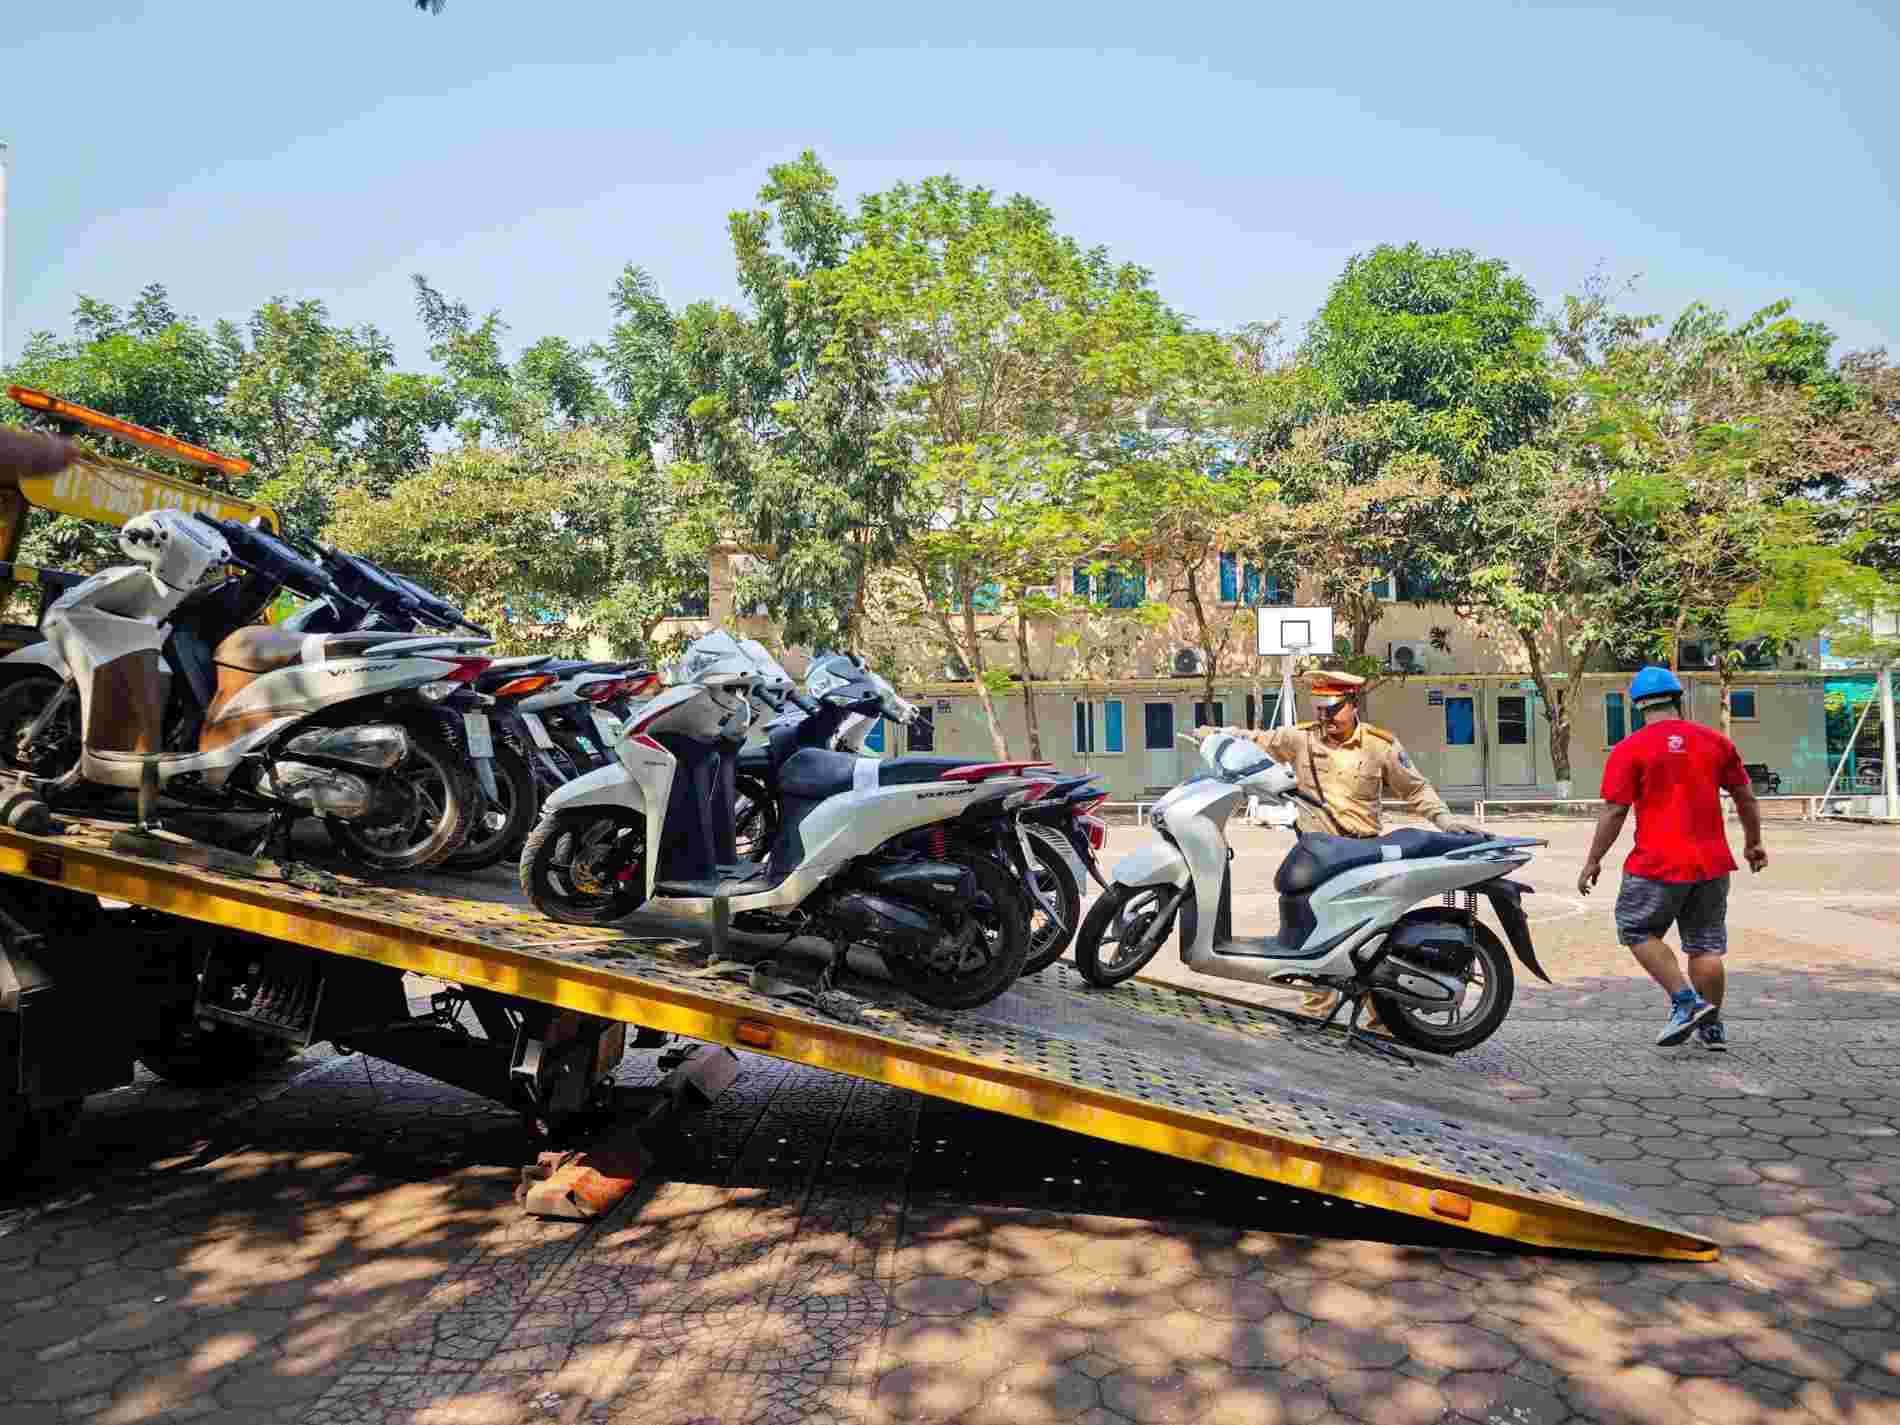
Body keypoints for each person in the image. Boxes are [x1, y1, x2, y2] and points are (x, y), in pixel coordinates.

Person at [1199, 669, 1482, 1027]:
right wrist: (1218, 735)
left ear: (1353, 704)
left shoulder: (1380, 745)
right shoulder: (1300, 738)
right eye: (1319, 709)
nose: (1324, 717)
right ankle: (1317, 1013)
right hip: (1317, 857)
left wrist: (1445, 821)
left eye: (1332, 709)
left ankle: (1386, 1018)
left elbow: (1415, 789)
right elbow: (1258, 740)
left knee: (1370, 939)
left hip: (1364, 856)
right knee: (1310, 937)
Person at [1577, 666, 1768, 1051]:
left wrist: (1593, 859)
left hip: (1656, 864)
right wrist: (1753, 843)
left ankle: (1685, 1002)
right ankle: (1711, 1027)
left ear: (1638, 706)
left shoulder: (1629, 749)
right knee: (1706, 946)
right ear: (1678, 700)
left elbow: (1615, 811)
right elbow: (1745, 797)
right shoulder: (1715, 743)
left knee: (1636, 929)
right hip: (1712, 864)